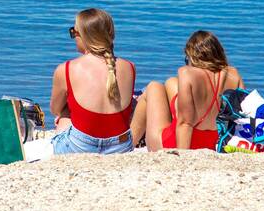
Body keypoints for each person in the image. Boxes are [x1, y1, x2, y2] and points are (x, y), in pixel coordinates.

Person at [137, 31, 244, 151]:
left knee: (153, 87)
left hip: (178, 144)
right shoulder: (234, 75)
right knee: (171, 82)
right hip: (216, 144)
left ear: (192, 57)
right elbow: (242, 117)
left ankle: (129, 143)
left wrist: (183, 156)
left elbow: (185, 123)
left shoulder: (186, 73)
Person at [49, 8, 137, 154]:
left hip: (80, 147)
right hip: (121, 146)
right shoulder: (129, 67)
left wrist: (68, 109)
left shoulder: (66, 69)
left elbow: (55, 110)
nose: (73, 37)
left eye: (73, 32)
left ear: (84, 36)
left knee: (64, 114)